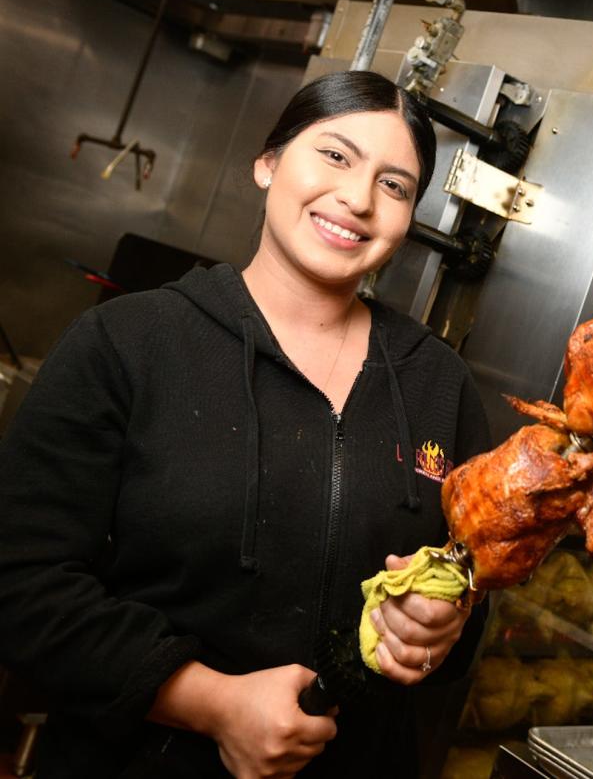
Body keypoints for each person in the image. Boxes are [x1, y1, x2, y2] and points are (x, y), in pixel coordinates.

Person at [0, 71, 492, 777]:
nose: (356, 199)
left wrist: (446, 627)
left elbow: (470, 582)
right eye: (334, 156)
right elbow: (19, 582)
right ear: (267, 164)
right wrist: (209, 703)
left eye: (394, 185)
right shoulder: (129, 343)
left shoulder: (439, 382)